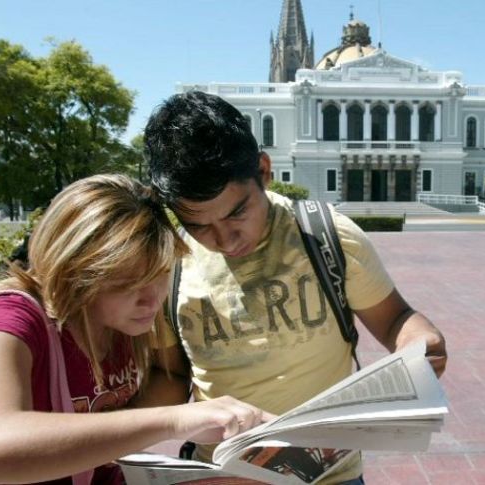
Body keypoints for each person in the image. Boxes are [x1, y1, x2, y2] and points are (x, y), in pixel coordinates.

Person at [144, 91, 448, 484]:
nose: (226, 239)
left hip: (330, 474)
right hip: (224, 473)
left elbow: (394, 319)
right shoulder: (170, 264)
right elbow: (168, 376)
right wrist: (110, 427)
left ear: (264, 171)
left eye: (238, 212)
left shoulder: (325, 236)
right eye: (199, 225)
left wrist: (420, 342)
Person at [0, 174, 272, 485]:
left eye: (161, 274)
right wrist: (175, 421)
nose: (152, 301)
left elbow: (158, 383)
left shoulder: (119, 319)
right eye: (128, 283)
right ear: (75, 270)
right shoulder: (7, 319)